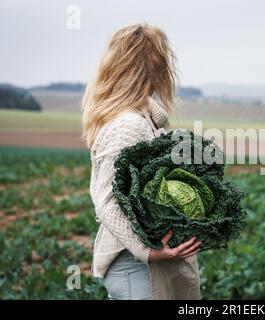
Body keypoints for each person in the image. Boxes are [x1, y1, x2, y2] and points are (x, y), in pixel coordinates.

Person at [81, 23, 201, 300]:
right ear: (155, 66)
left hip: (148, 263)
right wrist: (148, 251)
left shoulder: (147, 119)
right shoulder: (127, 125)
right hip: (135, 265)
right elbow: (107, 201)